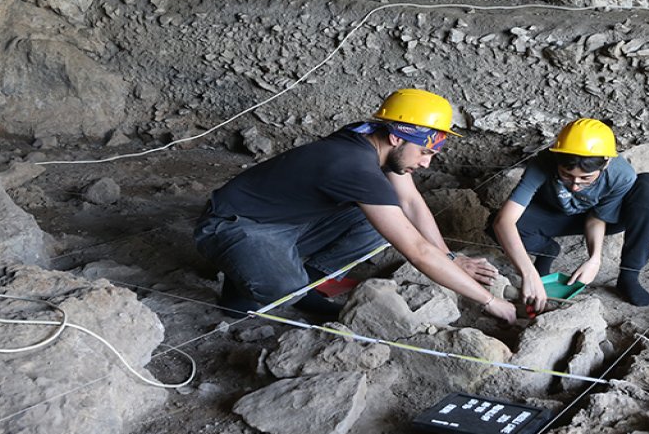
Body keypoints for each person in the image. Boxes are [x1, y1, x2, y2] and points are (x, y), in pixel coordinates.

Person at [194, 88, 517, 323]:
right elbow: (417, 250)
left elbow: (410, 201)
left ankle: (306, 285)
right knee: (281, 289)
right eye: (425, 152)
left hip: (287, 220)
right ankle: (254, 279)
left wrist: (449, 258)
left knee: (385, 219)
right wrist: (488, 301)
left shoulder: (367, 136)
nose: (427, 163)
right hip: (234, 225)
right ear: (397, 138)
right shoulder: (354, 167)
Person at [490, 118, 649, 311]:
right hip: (556, 214)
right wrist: (528, 273)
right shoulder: (542, 162)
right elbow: (504, 221)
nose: (575, 185)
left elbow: (598, 217)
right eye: (566, 175)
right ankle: (546, 251)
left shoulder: (621, 174)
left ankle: (629, 276)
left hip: (601, 218)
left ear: (605, 163)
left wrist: (594, 259)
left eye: (586, 178)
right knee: (497, 225)